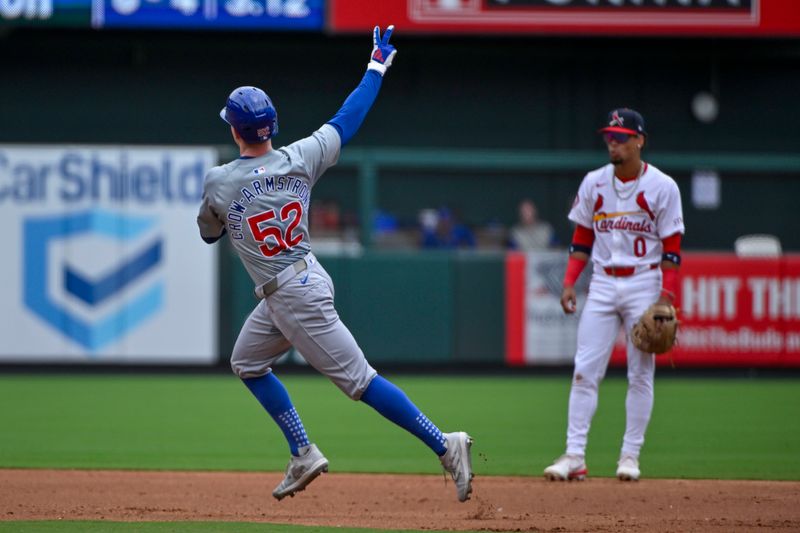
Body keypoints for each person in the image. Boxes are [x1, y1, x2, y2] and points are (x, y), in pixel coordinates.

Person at [196, 26, 474, 502]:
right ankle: (302, 451)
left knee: (360, 382)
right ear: (273, 126)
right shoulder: (302, 156)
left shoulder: (219, 181)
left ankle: (444, 444)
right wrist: (376, 65)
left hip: (294, 295)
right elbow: (349, 116)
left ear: (233, 129)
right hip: (297, 280)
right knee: (246, 361)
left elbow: (208, 233)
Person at [543, 108, 684, 482]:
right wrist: (571, 281)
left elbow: (672, 246)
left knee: (640, 373)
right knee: (585, 371)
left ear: (640, 140)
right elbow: (582, 238)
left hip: (644, 282)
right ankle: (575, 456)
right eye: (609, 136)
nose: (613, 142)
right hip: (603, 282)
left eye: (621, 137)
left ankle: (630, 456)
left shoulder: (663, 187)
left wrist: (666, 296)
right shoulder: (594, 183)